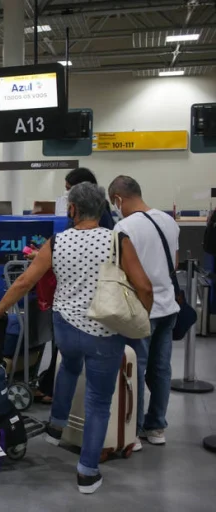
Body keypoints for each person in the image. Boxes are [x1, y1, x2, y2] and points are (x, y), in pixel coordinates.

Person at [0, 182, 153, 495]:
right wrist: (141, 318)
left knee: (69, 366)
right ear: (102, 208)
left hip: (66, 328)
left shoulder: (57, 241)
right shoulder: (117, 240)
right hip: (104, 332)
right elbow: (144, 286)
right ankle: (87, 473)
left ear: (72, 209)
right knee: (98, 402)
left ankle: (56, 425)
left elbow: (24, 282)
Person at [109, 175, 180, 450]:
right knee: (161, 368)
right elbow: (174, 264)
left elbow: (122, 270)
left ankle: (133, 431)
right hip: (169, 306)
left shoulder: (124, 227)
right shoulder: (168, 221)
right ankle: (157, 427)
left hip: (141, 307)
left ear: (118, 199)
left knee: (135, 370)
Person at [36, 166, 117, 404]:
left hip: (76, 304)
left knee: (68, 360)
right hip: (93, 303)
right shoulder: (108, 224)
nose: (66, 195)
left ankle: (55, 402)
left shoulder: (90, 221)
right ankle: (51, 388)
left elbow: (25, 281)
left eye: (69, 189)